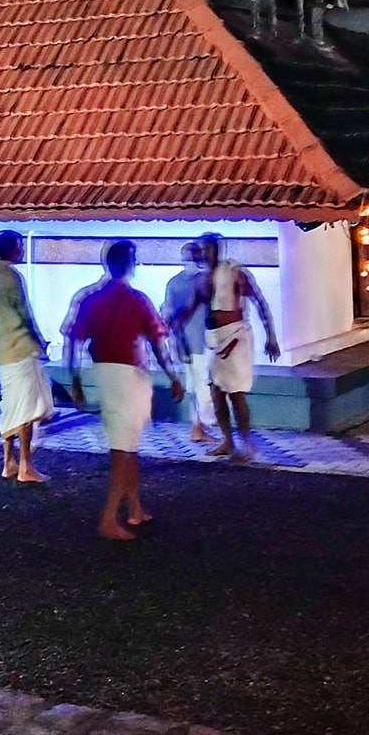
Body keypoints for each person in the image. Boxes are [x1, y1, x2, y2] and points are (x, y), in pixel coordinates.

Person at [63, 240, 183, 541]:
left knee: (127, 443)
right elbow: (158, 343)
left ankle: (135, 507)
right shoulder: (138, 299)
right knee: (124, 449)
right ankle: (109, 518)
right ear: (131, 264)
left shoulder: (91, 298)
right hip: (130, 375)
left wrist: (75, 381)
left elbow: (74, 342)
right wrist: (173, 376)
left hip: (104, 372)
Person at [176, 232, 280, 463]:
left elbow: (259, 301)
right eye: (201, 250)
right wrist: (175, 321)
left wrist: (271, 336)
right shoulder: (201, 280)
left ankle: (247, 443)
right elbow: (190, 308)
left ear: (218, 250)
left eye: (208, 249)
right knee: (217, 393)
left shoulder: (235, 273)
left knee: (236, 393)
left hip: (235, 338)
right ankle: (227, 441)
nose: (205, 254)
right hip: (213, 339)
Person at [0, 230, 52, 483]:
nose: (22, 250)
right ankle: (24, 466)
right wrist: (40, 342)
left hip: (2, 350)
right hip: (21, 349)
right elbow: (24, 314)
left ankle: (8, 463)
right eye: (20, 246)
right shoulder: (12, 277)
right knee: (25, 408)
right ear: (12, 248)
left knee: (10, 406)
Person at [161, 240, 220, 445]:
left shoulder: (175, 282)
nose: (193, 259)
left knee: (197, 385)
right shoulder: (202, 280)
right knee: (201, 385)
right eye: (191, 255)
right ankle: (199, 427)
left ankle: (198, 427)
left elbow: (167, 311)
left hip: (191, 341)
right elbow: (167, 311)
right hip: (197, 341)